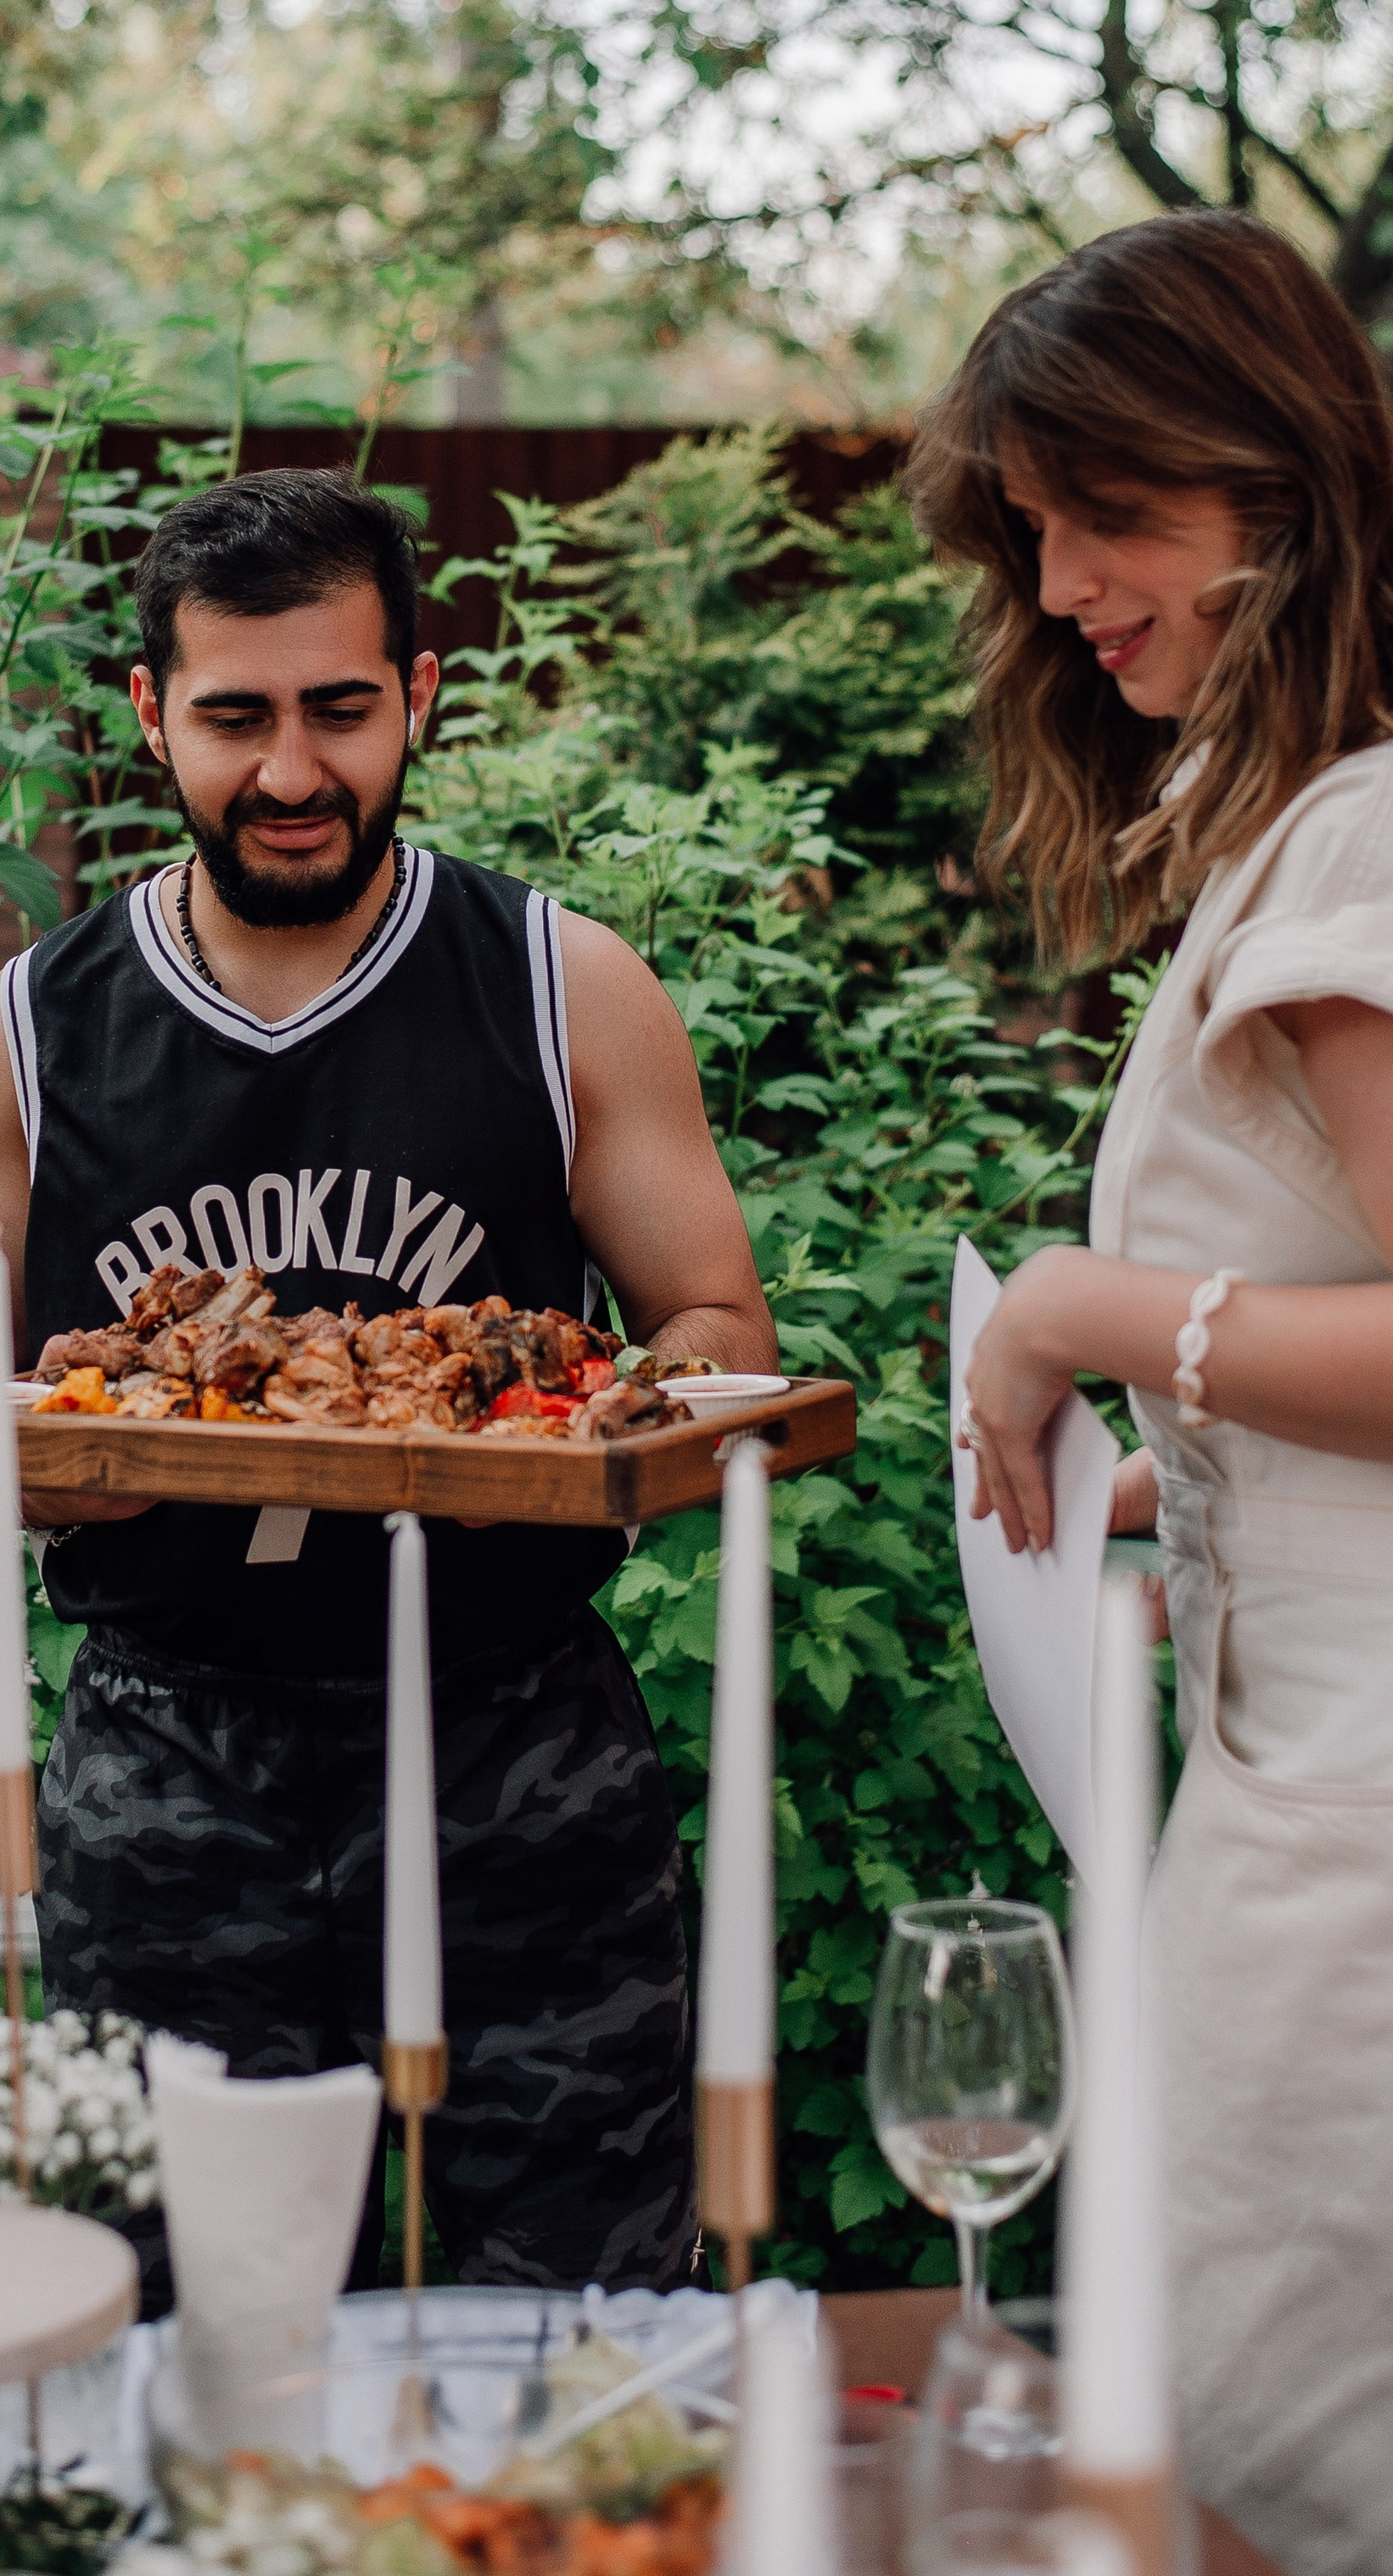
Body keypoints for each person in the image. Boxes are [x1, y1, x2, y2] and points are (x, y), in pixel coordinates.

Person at [0, 467, 776, 2298]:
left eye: (336, 710)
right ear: (149, 716)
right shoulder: (37, 1027)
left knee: (574, 2312)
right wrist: (55, 1461)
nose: (289, 771)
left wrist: (571, 1416)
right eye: (233, 716)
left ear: (417, 697)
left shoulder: (557, 985)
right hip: (172, 1752)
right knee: (190, 2316)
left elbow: (716, 1330)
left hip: (512, 1739)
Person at [909, 211, 1393, 2576]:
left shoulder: (1361, 840)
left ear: (1269, 478)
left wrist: (1089, 1313)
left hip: (1357, 1827)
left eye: (1109, 515)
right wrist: (1147, 1487)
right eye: (1037, 532)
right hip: (1303, 1763)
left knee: (1261, 2450)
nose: (1070, 584)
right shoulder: (1320, 826)